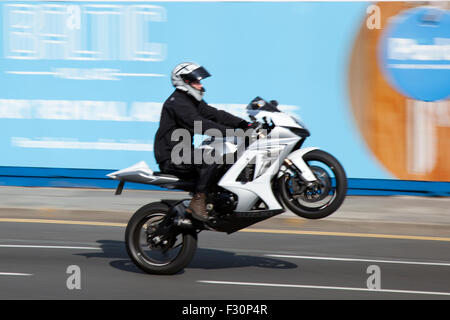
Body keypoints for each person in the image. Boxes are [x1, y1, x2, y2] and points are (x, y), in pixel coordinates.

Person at [154, 62, 251, 221]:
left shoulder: (190, 100)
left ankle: (216, 201)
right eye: (196, 82)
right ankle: (198, 201)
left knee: (226, 158)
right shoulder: (178, 102)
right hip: (172, 158)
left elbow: (215, 114)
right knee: (210, 157)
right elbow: (200, 124)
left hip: (184, 154)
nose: (200, 85)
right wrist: (236, 133)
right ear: (184, 82)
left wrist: (244, 124)